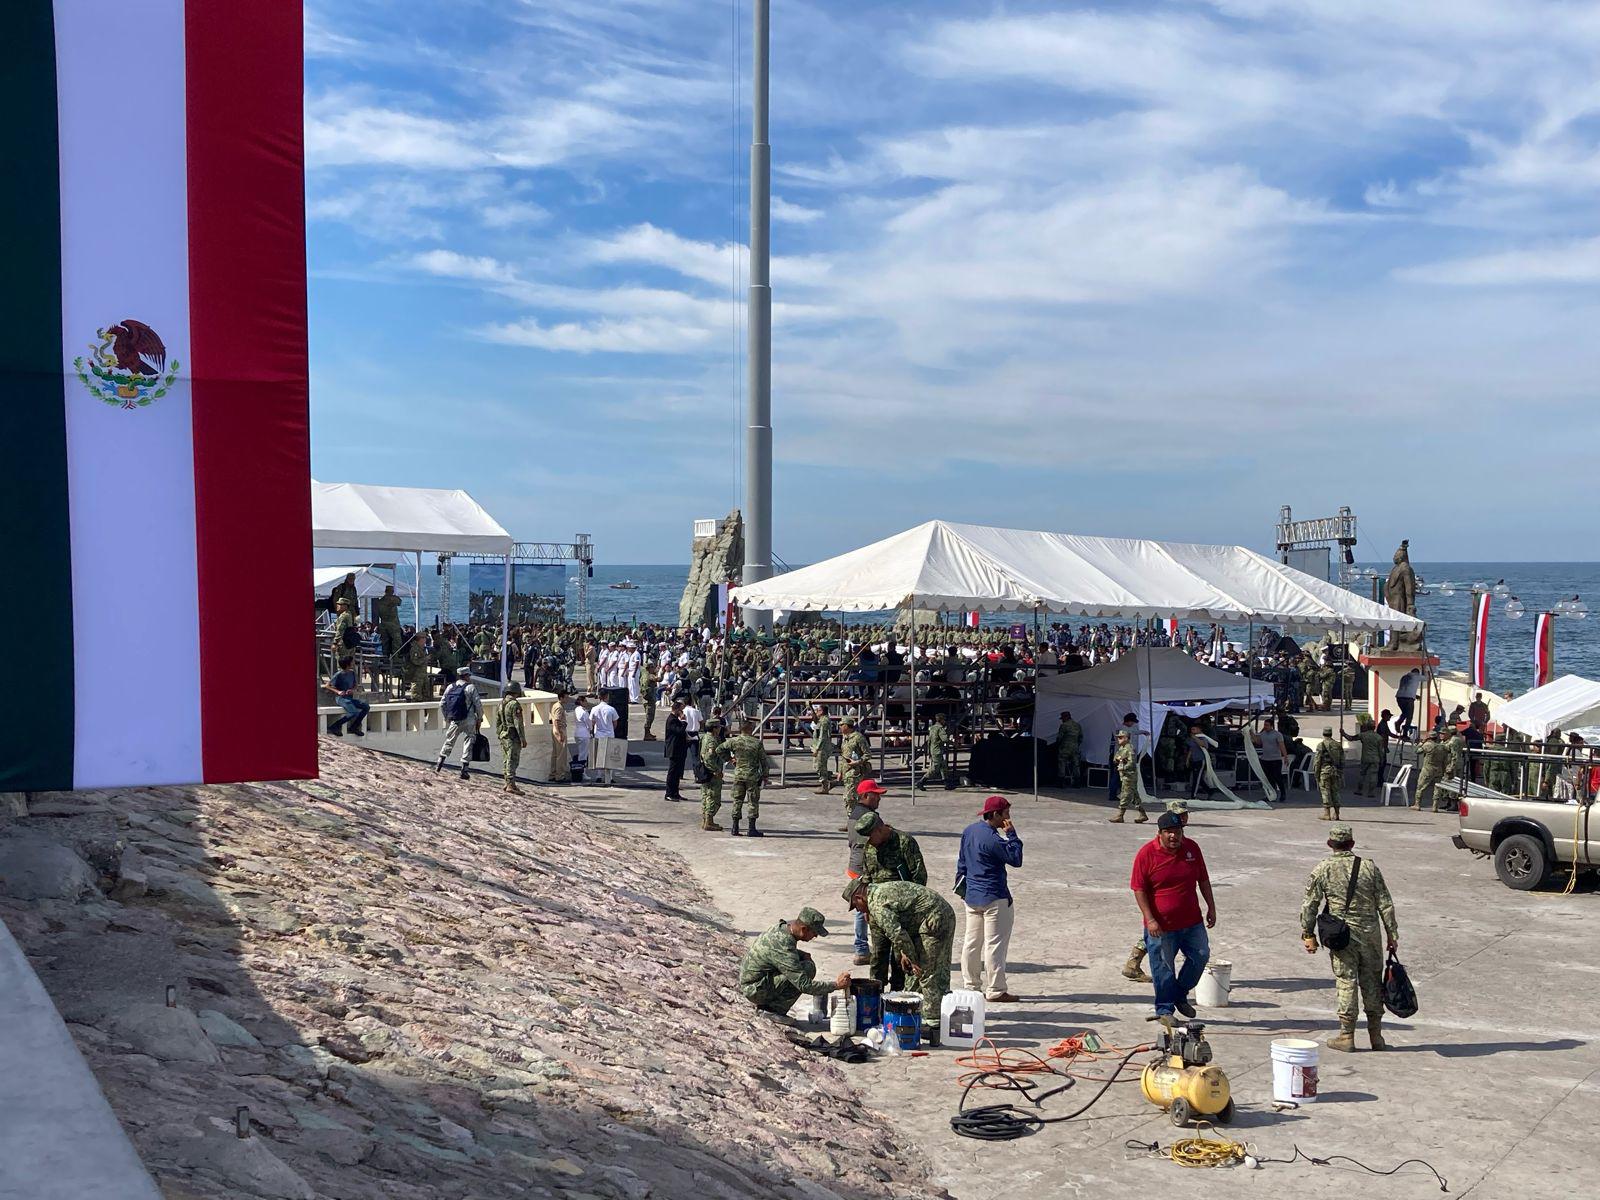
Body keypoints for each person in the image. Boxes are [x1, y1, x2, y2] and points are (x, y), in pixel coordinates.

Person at [1299, 823, 1399, 1052]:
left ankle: (1346, 1036)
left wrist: (1308, 934)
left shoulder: (1322, 869)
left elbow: (1310, 904)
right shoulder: (1369, 868)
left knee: (1346, 982)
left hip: (1342, 936)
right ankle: (1376, 1036)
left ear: (1330, 844)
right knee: (1372, 983)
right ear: (1352, 844)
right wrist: (1392, 934)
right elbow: (1385, 903)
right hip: (1370, 935)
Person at [844, 878, 954, 1047]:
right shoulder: (877, 893)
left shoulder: (877, 905)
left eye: (856, 906)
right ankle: (917, 1014)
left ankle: (933, 1024)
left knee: (927, 972)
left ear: (860, 897)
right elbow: (902, 925)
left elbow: (897, 934)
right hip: (928, 919)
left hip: (935, 919)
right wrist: (905, 955)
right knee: (913, 974)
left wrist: (913, 959)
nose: (858, 910)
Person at [1130, 811, 1215, 1024]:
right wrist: (1150, 919)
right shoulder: (1146, 854)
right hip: (1161, 926)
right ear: (1159, 833)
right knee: (1163, 967)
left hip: (1191, 921)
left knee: (1201, 955)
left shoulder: (1192, 848)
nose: (1173, 837)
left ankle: (1179, 993)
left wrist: (1211, 907)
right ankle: (1164, 1010)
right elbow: (1138, 889)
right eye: (1168, 832)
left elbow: (1203, 879)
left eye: (1177, 832)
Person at [955, 795, 1023, 1003]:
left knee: (971, 943)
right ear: (995, 815)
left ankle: (971, 985)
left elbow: (962, 863)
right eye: (1006, 814)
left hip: (973, 896)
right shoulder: (993, 839)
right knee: (994, 945)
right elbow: (1016, 859)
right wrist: (1011, 834)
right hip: (994, 897)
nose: (1008, 818)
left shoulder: (969, 831)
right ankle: (996, 989)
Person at [856, 810, 928, 991]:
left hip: (901, 911)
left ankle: (896, 996)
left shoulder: (904, 842)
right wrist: (866, 909)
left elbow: (919, 877)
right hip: (877, 912)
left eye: (871, 836)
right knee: (878, 956)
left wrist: (911, 910)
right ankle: (875, 994)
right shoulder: (869, 847)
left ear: (880, 829)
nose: (869, 841)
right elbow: (866, 878)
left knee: (899, 957)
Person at [738, 907, 851, 1017]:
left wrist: (801, 954)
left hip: (755, 982)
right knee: (808, 969)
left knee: (803, 962)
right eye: (814, 932)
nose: (815, 936)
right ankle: (772, 1010)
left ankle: (770, 1006)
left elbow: (777, 952)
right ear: (804, 929)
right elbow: (804, 985)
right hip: (755, 990)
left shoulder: (781, 928)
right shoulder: (784, 945)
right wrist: (836, 985)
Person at [1122, 800, 1188, 983]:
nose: (1184, 817)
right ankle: (1134, 963)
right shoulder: (1154, 848)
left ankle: (1133, 963)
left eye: (1185, 813)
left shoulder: (1182, 841)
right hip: (1158, 902)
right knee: (1157, 934)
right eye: (1180, 814)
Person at [846, 779, 887, 966]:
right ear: (865, 796)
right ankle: (862, 949)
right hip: (866, 868)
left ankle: (862, 949)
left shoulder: (854, 814)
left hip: (855, 865)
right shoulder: (869, 818)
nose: (879, 798)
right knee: (865, 909)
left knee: (861, 907)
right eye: (876, 794)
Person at [724, 718, 772, 837]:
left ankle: (734, 827)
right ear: (750, 729)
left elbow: (720, 749)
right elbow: (764, 761)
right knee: (753, 801)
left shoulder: (734, 741)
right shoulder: (756, 743)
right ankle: (751, 828)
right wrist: (765, 776)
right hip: (752, 776)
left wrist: (730, 759)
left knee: (737, 800)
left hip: (739, 775)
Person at [435, 666, 483, 780]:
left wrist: (447, 716)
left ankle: (439, 764)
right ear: (466, 676)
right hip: (469, 719)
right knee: (469, 741)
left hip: (455, 719)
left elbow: (442, 703)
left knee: (449, 741)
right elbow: (478, 704)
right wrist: (480, 718)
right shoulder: (470, 687)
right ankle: (464, 769)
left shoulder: (451, 686)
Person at [1108, 730, 1148, 823]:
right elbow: (1116, 758)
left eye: (1120, 737)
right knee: (1134, 796)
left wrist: (1123, 767)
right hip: (1125, 775)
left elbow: (1132, 763)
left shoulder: (1129, 749)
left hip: (1129, 775)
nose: (1118, 739)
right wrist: (1119, 761)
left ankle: (1120, 815)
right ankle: (1143, 814)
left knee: (1125, 795)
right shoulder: (1122, 748)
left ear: (1126, 738)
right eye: (1118, 737)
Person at [324, 656, 368, 738]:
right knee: (353, 712)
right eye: (352, 662)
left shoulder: (352, 673)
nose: (353, 663)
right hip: (341, 698)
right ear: (348, 664)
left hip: (350, 698)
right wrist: (338, 691)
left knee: (366, 707)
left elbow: (355, 686)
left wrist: (352, 690)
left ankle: (354, 727)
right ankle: (334, 726)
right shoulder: (339, 674)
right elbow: (327, 685)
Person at [839, 718, 872, 828]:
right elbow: (844, 756)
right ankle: (853, 821)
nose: (840, 727)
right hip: (847, 772)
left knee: (850, 798)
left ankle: (854, 822)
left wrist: (857, 762)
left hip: (855, 772)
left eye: (841, 725)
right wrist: (840, 772)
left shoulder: (858, 737)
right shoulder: (845, 739)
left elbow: (867, 754)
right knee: (851, 798)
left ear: (847, 726)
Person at [698, 716, 729, 831]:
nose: (720, 729)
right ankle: (709, 821)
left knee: (706, 796)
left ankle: (706, 820)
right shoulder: (712, 740)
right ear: (714, 728)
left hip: (706, 772)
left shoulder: (705, 737)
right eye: (719, 727)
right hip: (711, 773)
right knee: (713, 797)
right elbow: (709, 758)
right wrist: (716, 771)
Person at [496, 682, 526, 794]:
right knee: (512, 760)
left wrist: (499, 734)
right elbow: (518, 723)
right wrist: (522, 738)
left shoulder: (501, 704)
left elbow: (498, 722)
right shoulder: (514, 704)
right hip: (512, 736)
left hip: (503, 735)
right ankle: (510, 784)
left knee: (506, 759)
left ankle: (507, 782)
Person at [1313, 726, 1345, 820]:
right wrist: (1341, 771)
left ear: (1323, 734)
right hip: (1336, 771)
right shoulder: (1338, 745)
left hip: (1325, 771)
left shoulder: (1321, 745)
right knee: (1335, 791)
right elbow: (1342, 760)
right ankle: (1337, 814)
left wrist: (1316, 773)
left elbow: (1317, 760)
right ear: (1331, 734)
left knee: (1325, 792)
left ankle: (1327, 814)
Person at [1414, 729, 1448, 811]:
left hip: (1427, 769)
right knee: (1437, 788)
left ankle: (1417, 804)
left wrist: (1421, 743)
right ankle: (1435, 806)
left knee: (1420, 787)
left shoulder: (1427, 745)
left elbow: (1417, 751)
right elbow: (1445, 760)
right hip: (1439, 769)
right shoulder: (1442, 747)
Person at [589, 693, 619, 785]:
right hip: (609, 734)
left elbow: (592, 722)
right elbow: (615, 723)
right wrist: (610, 729)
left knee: (599, 757)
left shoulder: (594, 709)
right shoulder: (611, 709)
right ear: (606, 697)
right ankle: (609, 777)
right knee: (610, 757)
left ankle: (599, 775)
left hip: (599, 734)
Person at [1253, 717, 1287, 800]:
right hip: (1265, 759)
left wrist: (1285, 756)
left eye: (1267, 725)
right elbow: (1258, 742)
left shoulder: (1277, 734)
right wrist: (1251, 734)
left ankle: (1283, 793)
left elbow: (1282, 746)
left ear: (1271, 726)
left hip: (1275, 759)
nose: (1265, 726)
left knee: (1277, 777)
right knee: (1268, 778)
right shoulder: (1263, 734)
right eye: (1264, 725)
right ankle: (1271, 795)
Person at [663, 700, 689, 802]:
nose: (682, 712)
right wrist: (684, 722)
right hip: (674, 749)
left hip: (680, 749)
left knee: (678, 772)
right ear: (677, 709)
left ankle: (675, 793)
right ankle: (669, 793)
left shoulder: (675, 719)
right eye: (681, 710)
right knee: (672, 772)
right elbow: (679, 731)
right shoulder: (672, 720)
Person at [922, 710, 953, 790]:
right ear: (941, 720)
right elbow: (945, 739)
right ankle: (921, 782)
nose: (945, 721)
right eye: (944, 720)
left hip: (933, 749)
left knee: (943, 767)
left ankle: (946, 783)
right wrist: (952, 742)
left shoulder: (932, 727)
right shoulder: (940, 728)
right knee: (934, 768)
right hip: (937, 750)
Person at [1353, 717, 1384, 797]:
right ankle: (1371, 792)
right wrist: (1382, 760)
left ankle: (1359, 790)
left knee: (1362, 774)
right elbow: (1381, 751)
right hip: (1375, 758)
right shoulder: (1379, 737)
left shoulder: (1363, 735)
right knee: (1373, 775)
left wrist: (1343, 733)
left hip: (1365, 758)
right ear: (1374, 727)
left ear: (1367, 727)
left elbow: (1351, 738)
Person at [373, 584, 404, 660]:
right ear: (392, 591)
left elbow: (376, 614)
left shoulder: (380, 601)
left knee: (385, 642)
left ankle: (385, 658)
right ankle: (395, 657)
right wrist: (394, 597)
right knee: (397, 641)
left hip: (383, 623)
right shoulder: (393, 599)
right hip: (393, 624)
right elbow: (400, 602)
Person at [810, 703, 835, 794]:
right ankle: (827, 782)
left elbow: (822, 736)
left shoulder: (824, 721)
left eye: (817, 711)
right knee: (818, 766)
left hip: (822, 747)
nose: (816, 712)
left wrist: (817, 748)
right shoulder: (822, 720)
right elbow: (815, 720)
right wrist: (811, 709)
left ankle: (825, 785)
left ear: (821, 711)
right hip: (821, 746)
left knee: (820, 766)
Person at [1055, 710, 1083, 787]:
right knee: (1076, 764)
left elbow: (1059, 737)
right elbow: (1081, 738)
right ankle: (1077, 783)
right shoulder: (1077, 725)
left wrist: (1058, 744)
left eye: (1062, 718)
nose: (1062, 720)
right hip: (1075, 748)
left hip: (1065, 748)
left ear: (1065, 717)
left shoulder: (1064, 725)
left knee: (1062, 763)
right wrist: (1076, 744)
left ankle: (1061, 783)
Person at [548, 690, 570, 783]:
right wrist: (560, 733)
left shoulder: (556, 705)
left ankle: (553, 774)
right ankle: (560, 775)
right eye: (566, 697)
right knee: (561, 755)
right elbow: (557, 721)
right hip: (559, 730)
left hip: (556, 730)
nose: (567, 699)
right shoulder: (559, 707)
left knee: (556, 754)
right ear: (561, 697)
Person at [1395, 669, 1421, 737]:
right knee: (1409, 716)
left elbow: (1406, 689)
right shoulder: (1415, 676)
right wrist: (1427, 671)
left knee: (1405, 713)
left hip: (1399, 697)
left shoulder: (1404, 677)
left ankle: (1398, 723)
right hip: (1408, 699)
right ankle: (1405, 733)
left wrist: (1415, 696)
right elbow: (1426, 678)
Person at [573, 694, 593, 779]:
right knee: (583, 755)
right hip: (584, 734)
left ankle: (580, 771)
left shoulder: (576, 709)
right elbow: (589, 724)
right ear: (581, 702)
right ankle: (582, 772)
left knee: (581, 753)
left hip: (577, 733)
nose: (586, 703)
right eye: (585, 701)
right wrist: (591, 730)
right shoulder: (584, 712)